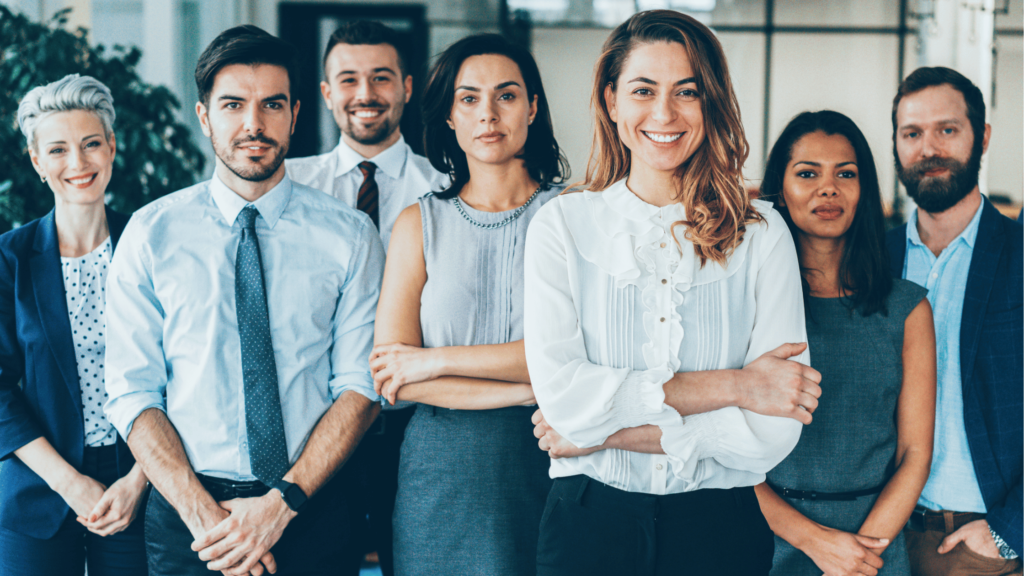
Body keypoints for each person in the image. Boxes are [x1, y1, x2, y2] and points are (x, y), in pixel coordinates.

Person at [524, 10, 823, 575]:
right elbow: (564, 399)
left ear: (711, 102)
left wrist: (600, 433)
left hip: (721, 529)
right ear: (612, 102)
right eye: (643, 90)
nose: (664, 113)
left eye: (687, 92)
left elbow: (773, 429)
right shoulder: (561, 226)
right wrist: (736, 386)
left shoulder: (762, 234)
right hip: (588, 526)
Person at [103, 26, 384, 576]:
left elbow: (360, 386)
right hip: (188, 521)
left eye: (272, 105)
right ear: (205, 116)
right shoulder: (150, 233)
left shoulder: (350, 236)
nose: (254, 124)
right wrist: (202, 515)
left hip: (312, 509)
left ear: (296, 114)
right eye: (233, 105)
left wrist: (279, 507)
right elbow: (133, 390)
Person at [370, 33, 567, 576]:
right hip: (441, 472)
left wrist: (435, 359)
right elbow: (394, 380)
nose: (488, 114)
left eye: (506, 96)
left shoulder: (575, 216)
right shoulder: (418, 223)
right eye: (469, 98)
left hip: (552, 456)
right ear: (450, 117)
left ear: (533, 107)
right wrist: (531, 388)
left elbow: (578, 358)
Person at [284, 21, 446, 576]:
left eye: (380, 77)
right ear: (326, 93)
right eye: (348, 79)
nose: (366, 93)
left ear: (405, 86)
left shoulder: (447, 191)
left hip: (419, 427)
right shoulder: (290, 191)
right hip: (318, 429)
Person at [755, 110, 936, 576]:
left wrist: (861, 555)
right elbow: (720, 450)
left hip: (874, 549)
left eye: (846, 174)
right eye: (808, 173)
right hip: (764, 539)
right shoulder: (747, 304)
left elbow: (914, 454)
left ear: (865, 190)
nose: (828, 188)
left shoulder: (908, 309)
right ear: (780, 187)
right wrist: (815, 543)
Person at [0, 74, 148, 575]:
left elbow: (188, 372)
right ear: (37, 162)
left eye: (90, 145)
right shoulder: (9, 259)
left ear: (111, 147)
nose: (78, 164)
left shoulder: (151, 245)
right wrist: (70, 482)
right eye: (58, 150)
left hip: (143, 482)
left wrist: (139, 480)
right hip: (39, 487)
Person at [887, 66, 1023, 576]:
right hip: (883, 538)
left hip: (984, 542)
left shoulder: (1019, 258)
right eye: (912, 133)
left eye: (947, 130)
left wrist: (1010, 534)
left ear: (981, 137)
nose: (929, 148)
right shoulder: (873, 263)